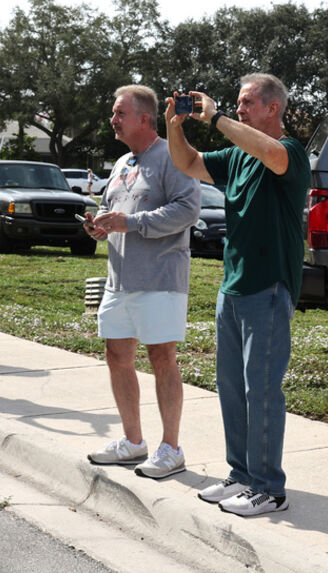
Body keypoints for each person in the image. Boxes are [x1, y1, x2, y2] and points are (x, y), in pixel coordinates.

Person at [165, 74, 310, 516]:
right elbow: (188, 164)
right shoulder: (236, 156)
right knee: (231, 387)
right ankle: (243, 475)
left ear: (272, 108)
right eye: (238, 104)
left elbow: (270, 154)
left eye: (247, 103)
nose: (240, 108)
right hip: (233, 286)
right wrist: (175, 125)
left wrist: (218, 117)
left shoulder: (290, 152)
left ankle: (270, 488)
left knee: (262, 389)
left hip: (268, 286)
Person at [84, 85, 200, 479]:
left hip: (159, 279)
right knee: (116, 356)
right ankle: (133, 442)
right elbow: (110, 209)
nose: (112, 120)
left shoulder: (171, 155)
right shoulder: (121, 162)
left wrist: (130, 223)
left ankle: (171, 449)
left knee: (161, 358)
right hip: (119, 279)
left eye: (119, 113)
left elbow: (188, 209)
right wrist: (100, 225)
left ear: (144, 119)